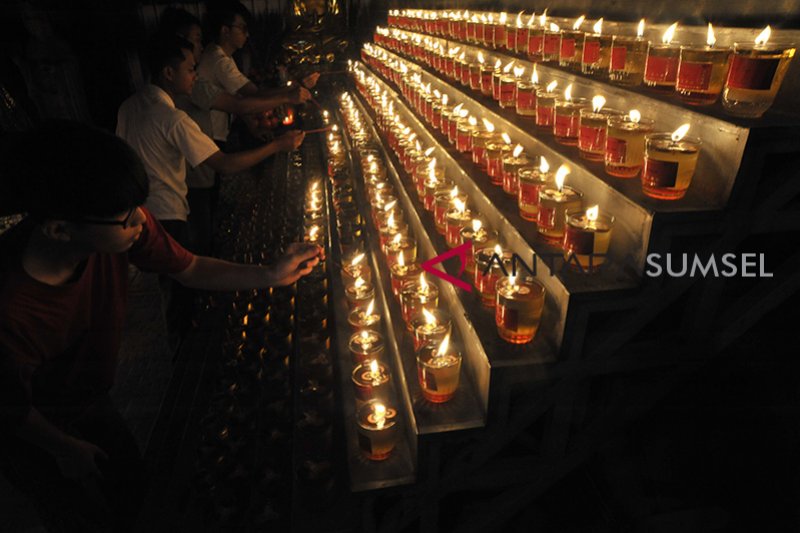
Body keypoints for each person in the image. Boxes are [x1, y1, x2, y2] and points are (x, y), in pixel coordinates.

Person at [0, 120, 321, 532]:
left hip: (89, 397)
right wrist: (62, 447)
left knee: (135, 493)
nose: (142, 224)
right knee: (80, 512)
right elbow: (10, 407)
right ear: (60, 229)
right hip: (31, 431)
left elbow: (189, 268)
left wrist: (270, 275)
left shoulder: (117, 225)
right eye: (127, 220)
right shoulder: (12, 308)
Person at [116, 35, 305, 350]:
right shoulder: (173, 118)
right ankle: (185, 352)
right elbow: (226, 164)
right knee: (181, 283)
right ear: (168, 73)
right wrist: (277, 145)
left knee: (164, 284)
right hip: (168, 214)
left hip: (138, 210)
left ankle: (173, 345)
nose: (195, 76)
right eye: (190, 69)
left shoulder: (129, 106)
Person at [157, 7, 312, 255]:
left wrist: (254, 120)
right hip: (189, 168)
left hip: (196, 156)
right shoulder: (201, 78)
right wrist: (287, 99)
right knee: (200, 217)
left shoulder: (149, 101)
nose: (198, 49)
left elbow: (237, 102)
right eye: (194, 40)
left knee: (206, 209)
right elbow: (240, 103)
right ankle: (202, 267)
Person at [199, 1, 319, 144]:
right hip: (209, 136)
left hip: (213, 132)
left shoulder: (219, 54)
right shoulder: (219, 60)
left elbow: (236, 95)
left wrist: (252, 126)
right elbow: (253, 94)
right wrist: (290, 93)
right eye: (242, 28)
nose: (247, 34)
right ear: (225, 31)